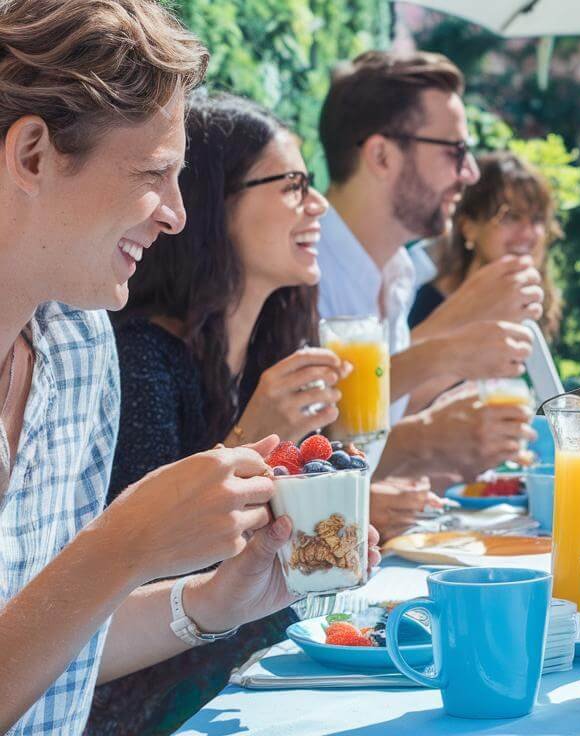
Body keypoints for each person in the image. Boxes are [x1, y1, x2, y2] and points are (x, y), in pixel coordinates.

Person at [0, 2, 378, 732]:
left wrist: (208, 602)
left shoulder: (80, 349)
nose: (176, 214)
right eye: (153, 173)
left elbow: (52, 645)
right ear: (33, 157)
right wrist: (123, 546)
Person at [88, 92, 356, 734]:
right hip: (162, 707)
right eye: (292, 184)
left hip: (253, 677)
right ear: (216, 205)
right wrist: (252, 435)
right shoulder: (140, 360)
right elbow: (136, 565)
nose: (316, 205)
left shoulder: (270, 348)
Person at [316, 50, 541, 489]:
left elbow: (370, 433)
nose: (471, 173)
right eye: (456, 151)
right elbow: (310, 447)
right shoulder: (301, 266)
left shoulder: (397, 271)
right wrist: (455, 331)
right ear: (381, 156)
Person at [406, 150, 564, 411]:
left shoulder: (535, 307)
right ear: (468, 226)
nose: (527, 233)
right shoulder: (424, 306)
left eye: (537, 219)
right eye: (510, 216)